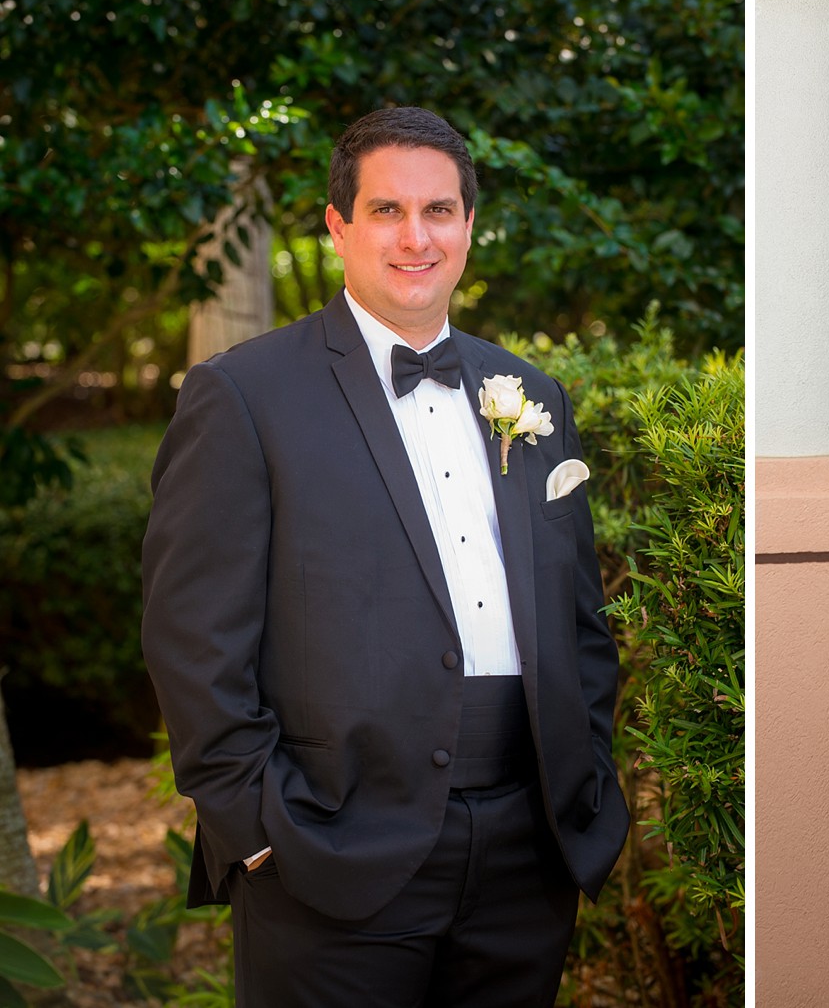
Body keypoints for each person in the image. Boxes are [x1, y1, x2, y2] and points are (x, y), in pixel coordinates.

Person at [141, 106, 629, 1006]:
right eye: (386, 211)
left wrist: (584, 775)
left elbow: (577, 619)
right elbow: (192, 641)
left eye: (439, 211)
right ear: (338, 226)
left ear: (470, 226)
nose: (416, 236)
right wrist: (256, 829)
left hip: (527, 850)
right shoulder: (243, 395)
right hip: (328, 850)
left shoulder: (533, 394)